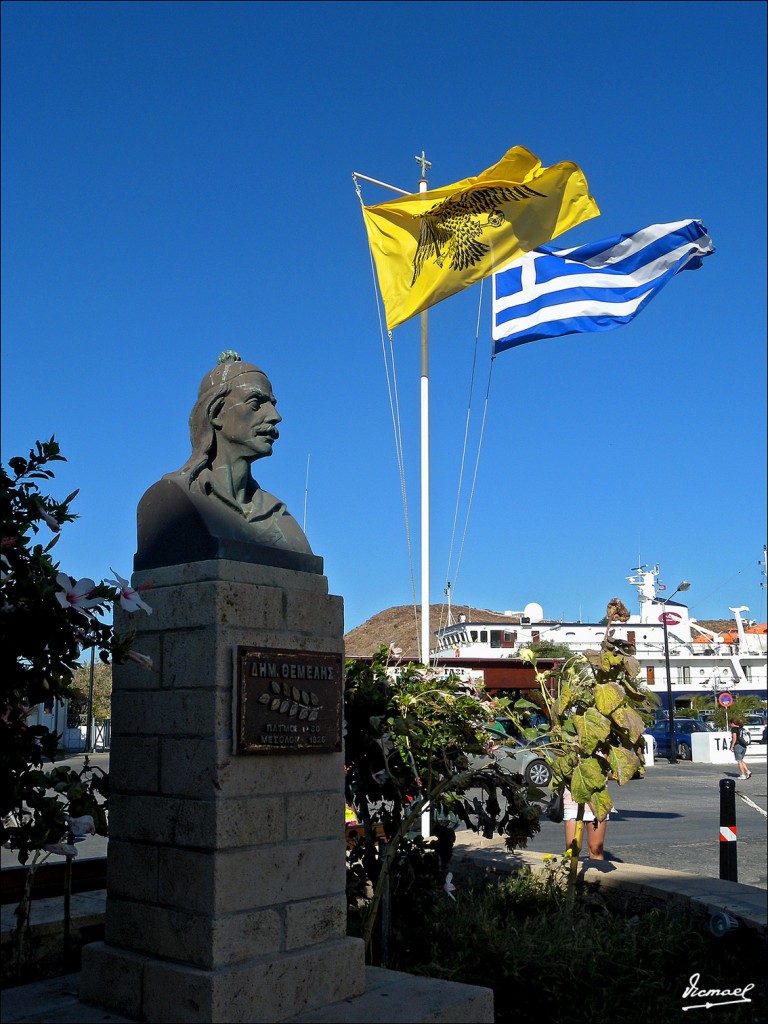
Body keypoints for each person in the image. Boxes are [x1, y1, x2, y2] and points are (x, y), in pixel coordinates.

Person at [135, 352, 319, 572]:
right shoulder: (168, 501)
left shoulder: (280, 516)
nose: (275, 416)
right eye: (256, 402)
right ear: (216, 413)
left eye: (272, 404)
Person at [563, 788, 610, 860]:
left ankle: (596, 870)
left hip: (598, 801)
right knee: (572, 849)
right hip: (573, 801)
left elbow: (612, 777)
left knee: (596, 849)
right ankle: (571, 870)